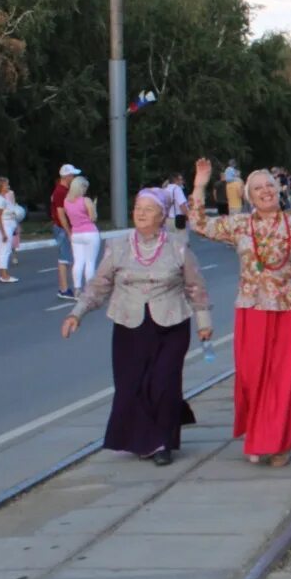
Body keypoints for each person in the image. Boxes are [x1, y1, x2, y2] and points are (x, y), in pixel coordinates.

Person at [188, 158, 291, 466]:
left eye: (269, 186)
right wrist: (199, 184)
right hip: (252, 308)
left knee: (284, 377)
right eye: (258, 188)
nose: (265, 192)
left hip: (289, 308)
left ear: (278, 191)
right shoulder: (239, 224)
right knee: (252, 376)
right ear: (249, 195)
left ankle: (281, 442)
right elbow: (199, 224)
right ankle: (259, 435)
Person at [62, 189, 212, 466]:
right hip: (129, 327)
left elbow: (195, 286)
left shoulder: (177, 246)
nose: (140, 213)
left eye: (148, 209)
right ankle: (147, 440)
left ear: (161, 215)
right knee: (131, 386)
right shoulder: (118, 246)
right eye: (137, 207)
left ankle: (164, 442)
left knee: (164, 384)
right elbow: (99, 285)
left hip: (171, 325)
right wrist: (77, 313)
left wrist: (203, 322)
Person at [64, 176, 101, 294]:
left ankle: (77, 288)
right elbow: (93, 218)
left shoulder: (66, 201)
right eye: (85, 187)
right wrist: (94, 208)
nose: (86, 190)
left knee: (78, 261)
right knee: (90, 262)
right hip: (90, 232)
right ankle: (89, 289)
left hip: (76, 233)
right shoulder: (86, 200)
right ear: (81, 187)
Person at [51, 165, 79, 299]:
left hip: (63, 227)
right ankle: (63, 289)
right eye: (72, 175)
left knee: (67, 258)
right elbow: (61, 213)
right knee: (64, 259)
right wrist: (68, 230)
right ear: (66, 176)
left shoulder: (63, 190)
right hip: (62, 228)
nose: (73, 178)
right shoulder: (60, 192)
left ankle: (66, 288)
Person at [0, 178, 20, 283]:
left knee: (4, 251)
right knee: (4, 252)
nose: (8, 187)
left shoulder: (2, 198)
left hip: (7, 227)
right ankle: (4, 276)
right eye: (6, 185)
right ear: (0, 187)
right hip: (3, 229)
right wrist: (3, 233)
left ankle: (4, 274)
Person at [163, 172, 190, 239]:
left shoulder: (165, 189)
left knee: (171, 242)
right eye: (180, 179)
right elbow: (182, 205)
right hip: (178, 219)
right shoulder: (177, 189)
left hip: (168, 220)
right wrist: (189, 216)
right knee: (181, 241)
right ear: (175, 180)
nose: (182, 181)